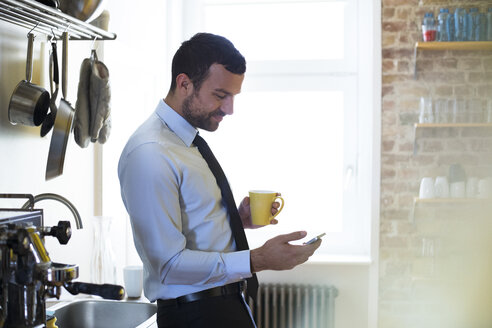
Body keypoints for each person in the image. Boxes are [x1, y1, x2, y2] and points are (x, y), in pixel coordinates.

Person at [118, 32, 321, 328]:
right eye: (220, 95)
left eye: (233, 96)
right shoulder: (150, 153)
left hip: (224, 305)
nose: (229, 109)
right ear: (184, 83)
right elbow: (169, 265)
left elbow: (191, 225)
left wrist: (236, 219)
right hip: (195, 315)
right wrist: (258, 259)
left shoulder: (185, 142)